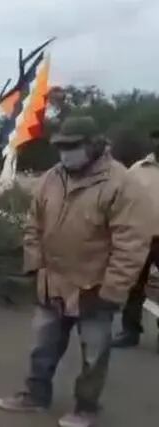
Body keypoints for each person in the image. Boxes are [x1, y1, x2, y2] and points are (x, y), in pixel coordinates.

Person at [0, 117, 148, 427]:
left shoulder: (121, 183)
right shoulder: (52, 178)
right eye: (61, 147)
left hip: (95, 285)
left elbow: (131, 244)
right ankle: (35, 395)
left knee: (94, 353)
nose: (65, 153)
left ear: (94, 145)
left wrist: (111, 291)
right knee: (42, 345)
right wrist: (36, 265)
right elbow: (33, 225)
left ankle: (86, 407)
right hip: (54, 280)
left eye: (72, 146)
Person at [112, 129, 159, 351]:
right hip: (139, 236)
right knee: (133, 286)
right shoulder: (138, 170)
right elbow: (122, 199)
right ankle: (130, 331)